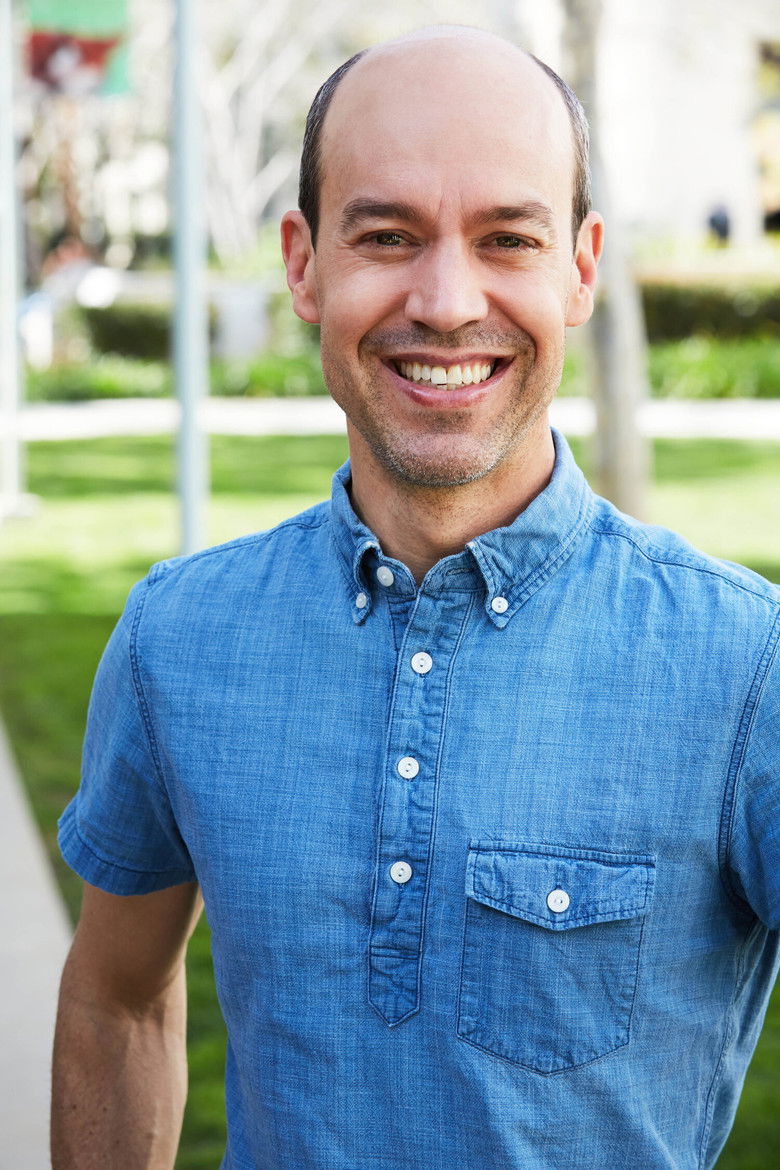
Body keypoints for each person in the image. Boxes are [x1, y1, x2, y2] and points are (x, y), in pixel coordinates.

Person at [51, 26, 780, 1170]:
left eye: (508, 239)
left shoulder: (749, 669)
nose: (445, 301)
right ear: (302, 262)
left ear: (581, 267)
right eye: (387, 236)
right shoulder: (178, 639)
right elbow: (116, 998)